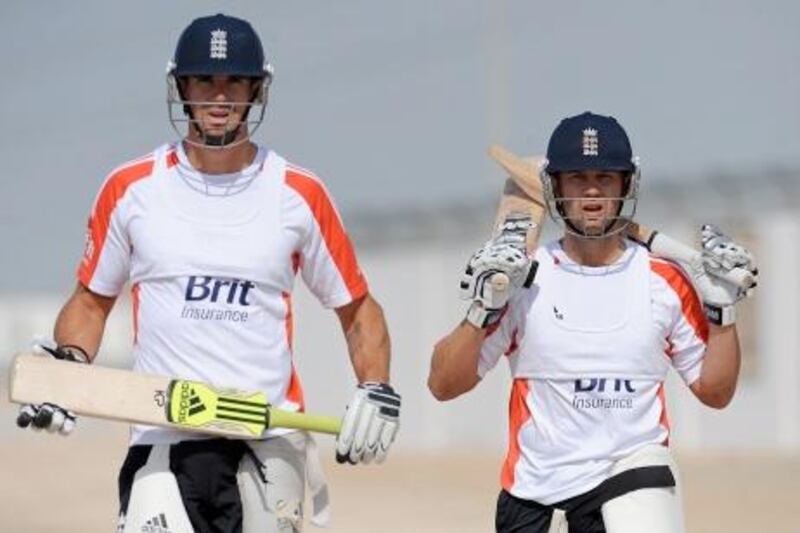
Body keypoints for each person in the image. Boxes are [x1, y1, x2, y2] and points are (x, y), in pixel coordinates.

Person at [16, 13, 401, 533]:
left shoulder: (299, 194)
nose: (219, 97)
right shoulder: (132, 189)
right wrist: (67, 366)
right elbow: (90, 302)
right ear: (181, 87)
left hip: (269, 440)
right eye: (204, 81)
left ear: (256, 91)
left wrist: (375, 387)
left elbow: (357, 308)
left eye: (234, 81)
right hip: (162, 439)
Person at [428, 111, 757, 533]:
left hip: (631, 484)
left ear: (626, 185)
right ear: (555, 187)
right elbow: (442, 385)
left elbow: (715, 392)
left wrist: (723, 316)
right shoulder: (521, 277)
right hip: (535, 498)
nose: (592, 191)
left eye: (605, 177)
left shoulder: (665, 282)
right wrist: (482, 309)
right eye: (577, 178)